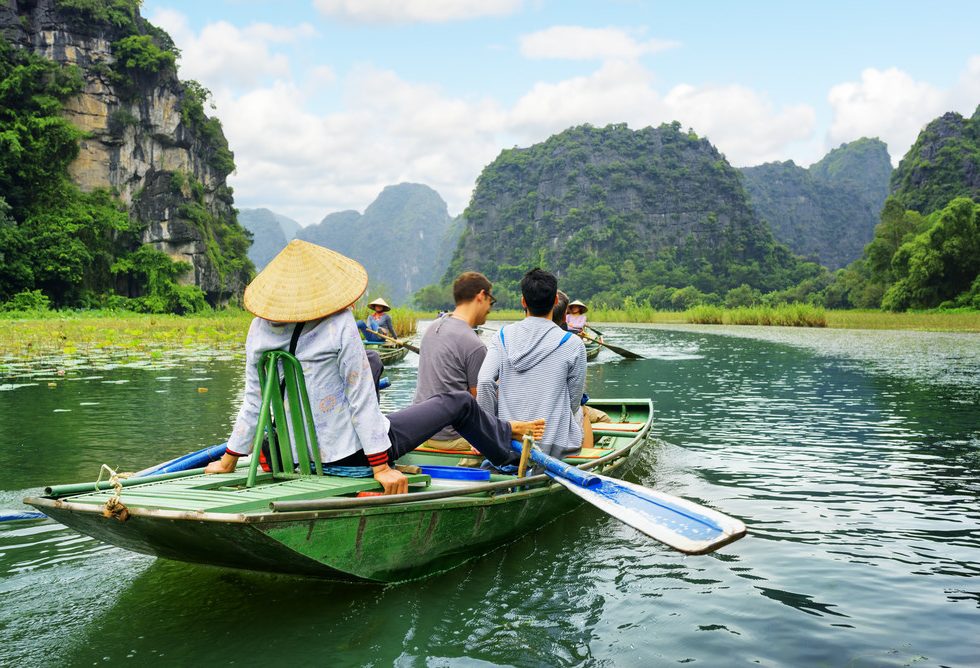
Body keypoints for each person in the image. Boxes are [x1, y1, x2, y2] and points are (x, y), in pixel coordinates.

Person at [205, 240, 544, 494]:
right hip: (346, 456)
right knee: (459, 402)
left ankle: (503, 429)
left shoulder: (259, 329)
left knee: (372, 360)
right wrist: (380, 467)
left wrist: (228, 461)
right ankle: (505, 449)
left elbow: (253, 401)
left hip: (284, 453)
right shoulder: (339, 324)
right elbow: (360, 398)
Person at [477, 268, 587, 460]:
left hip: (509, 443)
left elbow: (485, 381)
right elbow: (573, 400)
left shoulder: (501, 337)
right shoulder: (573, 344)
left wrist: (489, 435)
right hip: (554, 447)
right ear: (555, 301)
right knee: (581, 411)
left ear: (523, 301)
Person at [413, 272, 495, 454]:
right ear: (481, 296)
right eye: (491, 300)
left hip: (419, 429)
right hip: (450, 437)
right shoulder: (474, 345)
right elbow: (480, 399)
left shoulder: (433, 328)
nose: (490, 308)